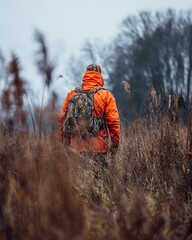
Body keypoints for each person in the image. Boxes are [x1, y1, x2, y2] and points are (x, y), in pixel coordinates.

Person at [58, 64, 120, 167]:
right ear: (100, 75)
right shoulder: (106, 96)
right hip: (98, 147)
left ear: (85, 75)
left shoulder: (72, 94)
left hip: (75, 147)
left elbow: (61, 117)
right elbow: (113, 121)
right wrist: (114, 144)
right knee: (99, 180)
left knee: (77, 181)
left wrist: (65, 141)